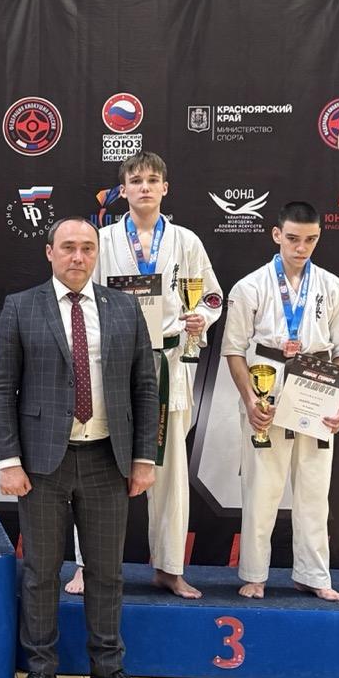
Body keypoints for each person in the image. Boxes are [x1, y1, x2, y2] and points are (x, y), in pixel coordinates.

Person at [0, 217, 158, 678]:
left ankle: (108, 669)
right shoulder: (21, 306)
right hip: (42, 463)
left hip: (108, 458)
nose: (78, 257)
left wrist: (143, 458)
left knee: (107, 573)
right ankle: (41, 669)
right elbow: (2, 388)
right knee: (42, 571)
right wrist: (9, 460)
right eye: (68, 247)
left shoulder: (125, 307)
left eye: (87, 247)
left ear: (96, 253)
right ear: (50, 252)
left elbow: (146, 387)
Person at [66, 152, 222, 600]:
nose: (145, 187)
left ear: (165, 188)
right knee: (99, 467)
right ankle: (87, 564)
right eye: (136, 181)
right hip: (114, 361)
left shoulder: (186, 241)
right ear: (124, 190)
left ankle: (169, 568)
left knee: (169, 470)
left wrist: (201, 318)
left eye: (153, 180)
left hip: (167, 361)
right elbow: (79, 292)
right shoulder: (102, 239)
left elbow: (211, 296)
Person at [223, 201, 339, 602]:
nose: (301, 248)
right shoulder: (250, 287)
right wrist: (250, 400)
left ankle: (313, 574)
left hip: (317, 385)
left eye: (310, 240)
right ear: (277, 234)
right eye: (294, 238)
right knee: (262, 487)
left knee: (314, 488)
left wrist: (337, 401)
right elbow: (233, 350)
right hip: (268, 383)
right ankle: (254, 573)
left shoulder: (334, 287)